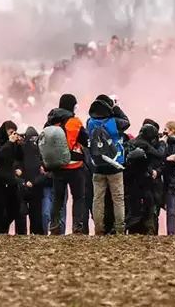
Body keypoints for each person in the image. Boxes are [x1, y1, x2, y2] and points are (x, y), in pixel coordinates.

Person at [87, 94, 130, 235]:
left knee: (98, 199)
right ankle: (120, 229)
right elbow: (127, 122)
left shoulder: (90, 122)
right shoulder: (115, 122)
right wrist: (115, 107)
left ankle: (99, 229)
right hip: (115, 165)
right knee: (118, 198)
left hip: (97, 165)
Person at [46, 93, 89, 235]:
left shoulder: (50, 121)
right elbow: (85, 140)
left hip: (57, 165)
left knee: (57, 199)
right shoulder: (75, 122)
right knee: (78, 198)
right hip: (75, 165)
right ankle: (77, 228)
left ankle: (54, 227)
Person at [0, 121, 24, 234]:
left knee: (15, 208)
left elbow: (19, 157)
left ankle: (3, 229)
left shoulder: (11, 143)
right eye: (10, 132)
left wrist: (19, 145)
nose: (12, 135)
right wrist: (9, 142)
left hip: (10, 179)